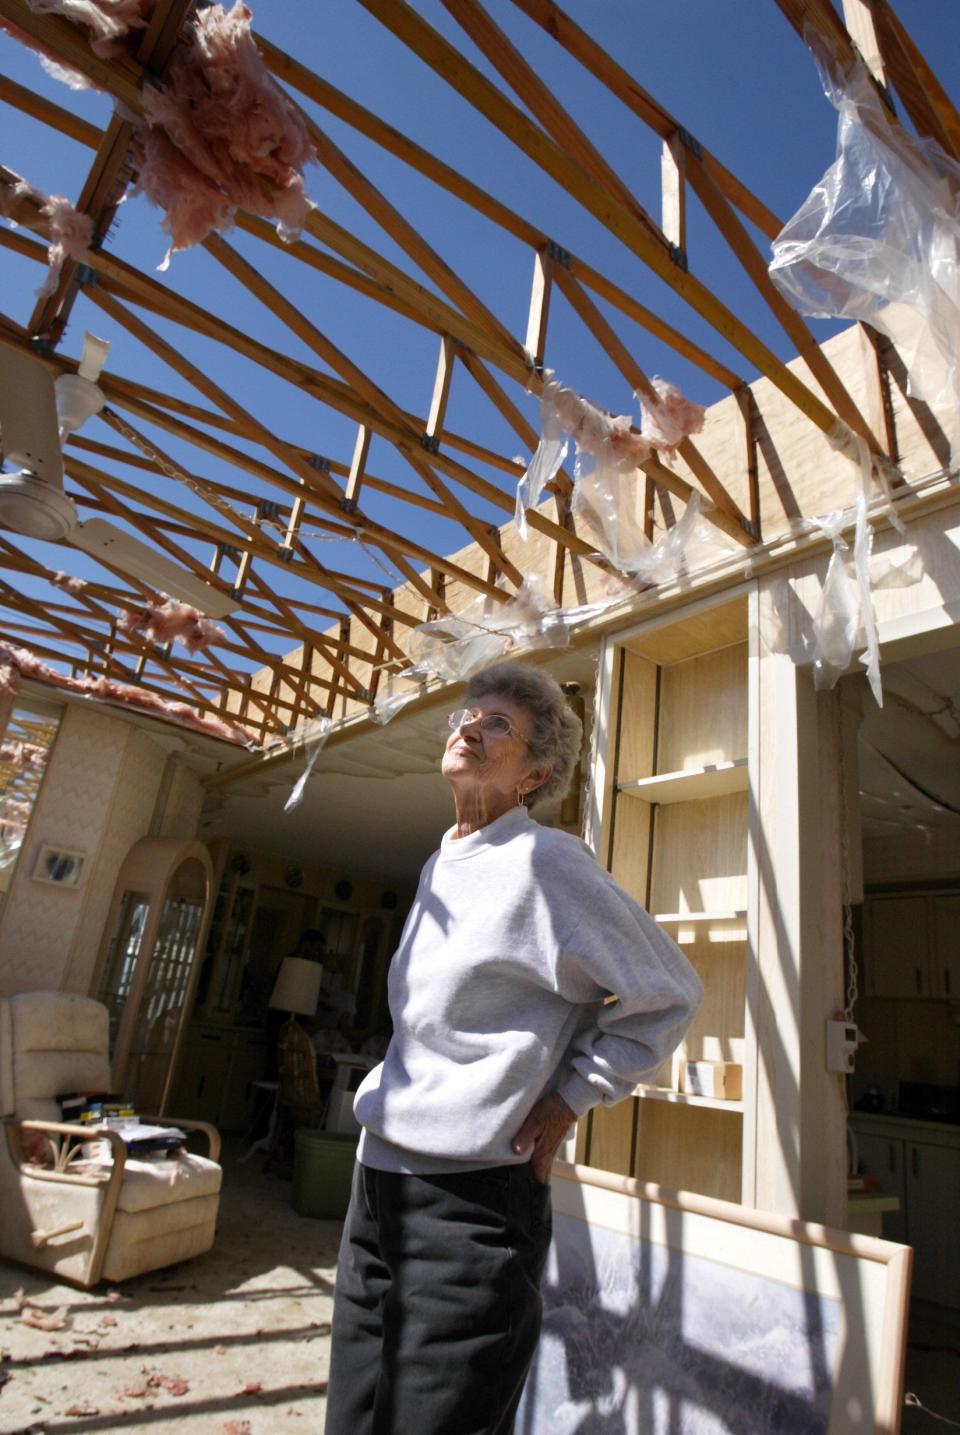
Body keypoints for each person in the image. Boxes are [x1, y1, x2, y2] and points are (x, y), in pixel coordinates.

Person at [325, 662, 702, 1435]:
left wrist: (574, 1094)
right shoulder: (440, 863)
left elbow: (667, 992)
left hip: (472, 1207)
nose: (470, 725)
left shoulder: (548, 863)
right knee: (352, 1418)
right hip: (376, 1186)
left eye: (498, 723)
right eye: (469, 713)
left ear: (536, 773)